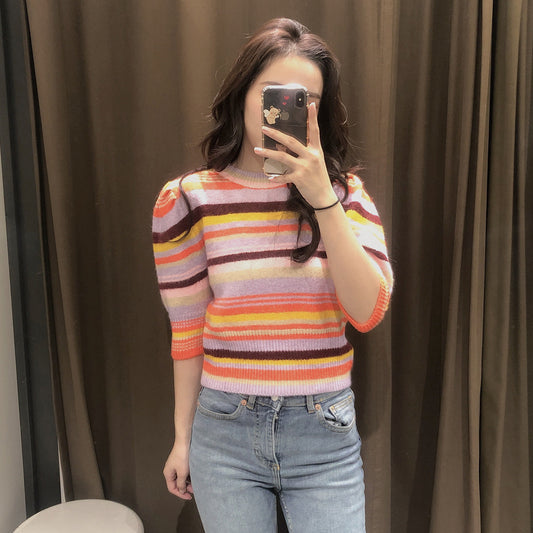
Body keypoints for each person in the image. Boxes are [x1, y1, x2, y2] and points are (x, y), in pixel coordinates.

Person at [152, 17, 393, 533]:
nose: (288, 111)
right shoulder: (189, 199)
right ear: (243, 95)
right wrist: (181, 438)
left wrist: (322, 198)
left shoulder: (346, 196)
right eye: (274, 94)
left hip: (323, 434)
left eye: (306, 100)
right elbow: (187, 330)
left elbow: (368, 312)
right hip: (224, 432)